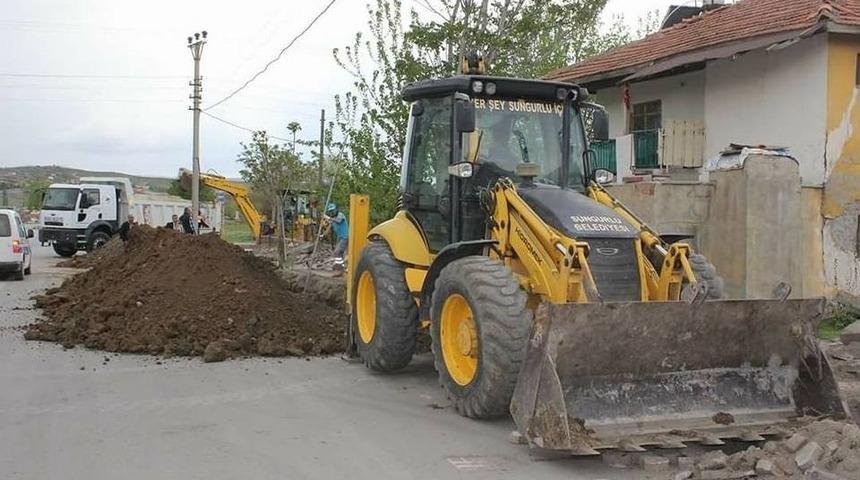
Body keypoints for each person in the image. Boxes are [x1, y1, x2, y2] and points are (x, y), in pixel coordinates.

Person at [321, 203, 348, 268]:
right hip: (339, 237)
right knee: (340, 253)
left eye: (333, 211)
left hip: (345, 237)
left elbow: (339, 221)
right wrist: (323, 235)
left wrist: (328, 218)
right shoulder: (333, 219)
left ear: (336, 210)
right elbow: (328, 229)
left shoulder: (340, 215)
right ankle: (341, 265)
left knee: (337, 251)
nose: (332, 212)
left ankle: (339, 266)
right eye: (330, 211)